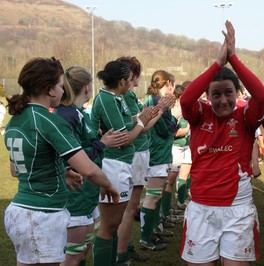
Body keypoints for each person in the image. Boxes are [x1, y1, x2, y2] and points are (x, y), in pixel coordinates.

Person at [3, 57, 119, 266]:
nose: (63, 90)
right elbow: (89, 170)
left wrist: (60, 172)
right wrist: (109, 185)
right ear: (49, 89)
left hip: (20, 211)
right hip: (41, 215)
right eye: (59, 85)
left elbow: (17, 169)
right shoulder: (48, 120)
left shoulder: (15, 120)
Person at [180, 21, 264, 265]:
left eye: (228, 92)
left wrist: (234, 59)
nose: (222, 100)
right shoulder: (199, 115)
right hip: (201, 207)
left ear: (238, 93)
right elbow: (186, 99)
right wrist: (218, 62)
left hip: (238, 210)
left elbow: (261, 95)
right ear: (207, 96)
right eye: (215, 94)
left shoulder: (246, 117)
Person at [54, 66, 127, 266]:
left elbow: (84, 148)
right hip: (75, 194)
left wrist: (99, 139)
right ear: (87, 88)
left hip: (86, 192)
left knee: (83, 249)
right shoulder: (66, 116)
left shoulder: (78, 113)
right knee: (72, 255)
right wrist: (103, 143)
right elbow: (75, 159)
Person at [91, 60, 157, 266]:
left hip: (122, 164)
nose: (132, 82)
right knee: (109, 226)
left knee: (114, 224)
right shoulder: (107, 100)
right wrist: (141, 121)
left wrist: (140, 120)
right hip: (113, 164)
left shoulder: (116, 98)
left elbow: (131, 127)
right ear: (121, 82)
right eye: (129, 79)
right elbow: (124, 139)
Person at [115, 56, 175, 264]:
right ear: (132, 75)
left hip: (138, 152)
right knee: (128, 208)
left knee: (127, 207)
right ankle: (121, 253)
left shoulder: (127, 97)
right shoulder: (127, 97)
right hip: (137, 152)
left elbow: (140, 122)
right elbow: (143, 126)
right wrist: (162, 110)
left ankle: (125, 247)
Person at [139, 69, 177, 251]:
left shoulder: (153, 100)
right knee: (152, 196)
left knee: (156, 195)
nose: (173, 89)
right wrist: (174, 120)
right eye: (172, 85)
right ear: (168, 83)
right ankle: (146, 238)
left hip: (159, 152)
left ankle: (153, 230)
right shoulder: (155, 102)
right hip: (156, 153)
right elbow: (164, 128)